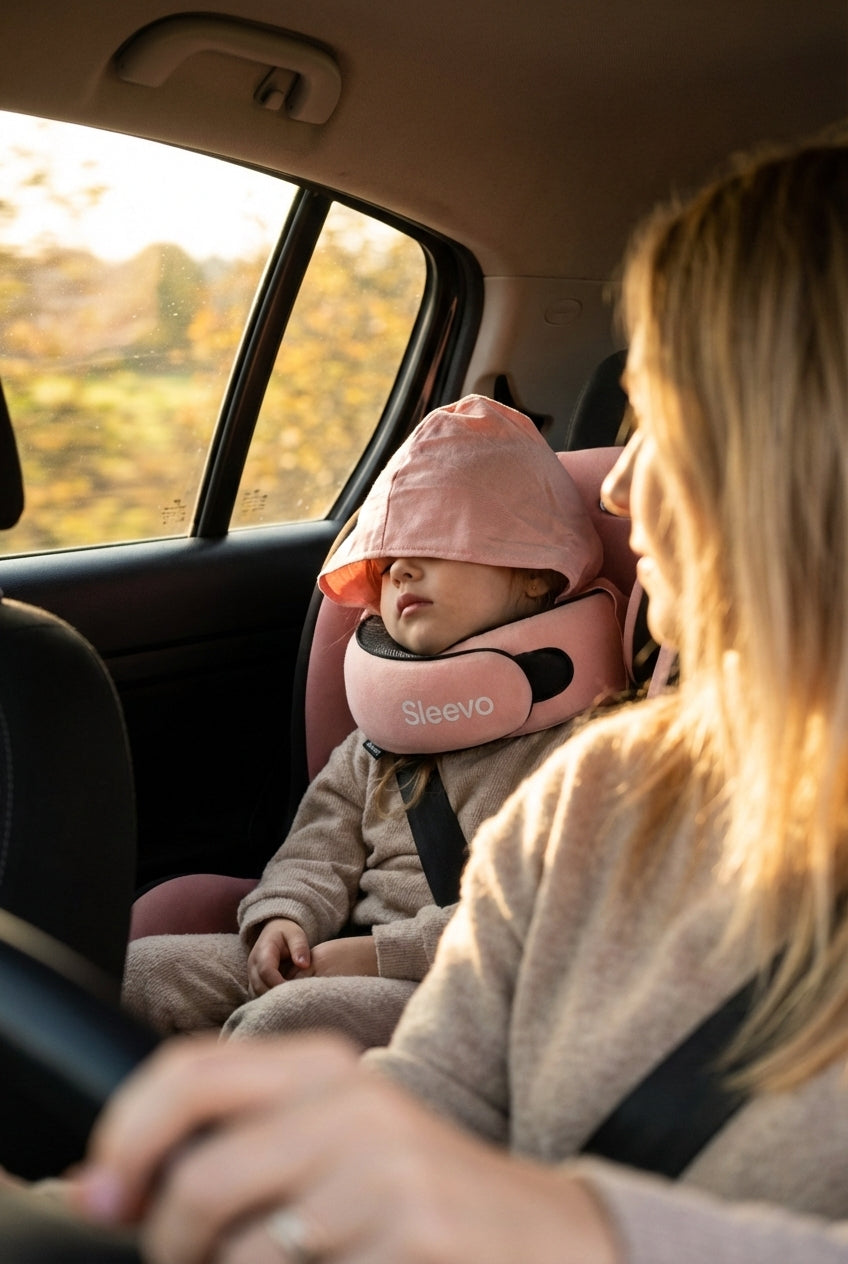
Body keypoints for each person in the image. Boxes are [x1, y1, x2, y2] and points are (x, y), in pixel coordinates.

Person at [71, 134, 848, 1263]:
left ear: (802, 466)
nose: (620, 488)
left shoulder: (562, 754)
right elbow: (436, 1083)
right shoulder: (603, 793)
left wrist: (572, 1231)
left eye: (666, 427)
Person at [121, 392, 625, 1048]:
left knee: (281, 1026)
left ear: (535, 573)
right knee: (140, 975)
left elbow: (556, 916)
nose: (402, 569)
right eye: (385, 565)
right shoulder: (377, 747)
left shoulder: (588, 749)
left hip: (482, 990)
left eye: (434, 542)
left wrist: (379, 955)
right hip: (339, 958)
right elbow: (315, 854)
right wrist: (285, 918)